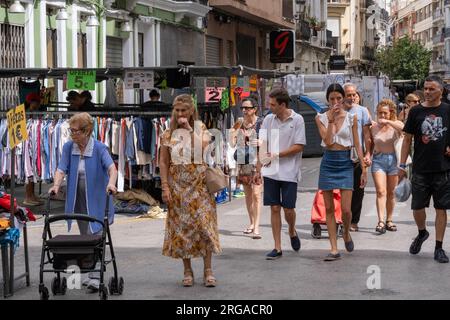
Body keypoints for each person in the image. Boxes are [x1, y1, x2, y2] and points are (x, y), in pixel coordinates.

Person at [48, 112, 118, 291]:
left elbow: (112, 169)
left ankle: (95, 276)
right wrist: (56, 185)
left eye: (75, 131)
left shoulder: (99, 148)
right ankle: (89, 272)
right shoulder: (68, 147)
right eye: (71, 131)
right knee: (85, 236)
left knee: (97, 234)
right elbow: (61, 168)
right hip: (77, 198)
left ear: (87, 131)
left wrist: (111, 183)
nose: (72, 134)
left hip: (97, 198)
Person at [159, 94, 221, 287]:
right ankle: (187, 270)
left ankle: (208, 269)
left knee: (204, 227)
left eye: (183, 110)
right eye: (177, 111)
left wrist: (187, 129)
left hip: (200, 186)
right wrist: (165, 187)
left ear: (191, 111)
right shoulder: (167, 134)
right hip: (178, 187)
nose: (180, 114)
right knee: (182, 230)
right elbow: (163, 162)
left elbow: (201, 149)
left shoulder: (200, 128)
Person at [399, 75, 450, 263]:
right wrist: (402, 165)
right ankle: (422, 233)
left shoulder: (447, 110)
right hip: (420, 168)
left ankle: (439, 247)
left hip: (443, 169)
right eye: (426, 89)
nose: (427, 92)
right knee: (418, 207)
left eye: (431, 89)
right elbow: (407, 140)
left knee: (441, 208)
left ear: (441, 91)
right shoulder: (415, 112)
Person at [315, 84, 367, 261]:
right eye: (332, 99)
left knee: (346, 210)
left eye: (339, 98)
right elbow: (328, 141)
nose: (335, 102)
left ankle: (345, 232)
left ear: (343, 98)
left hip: (345, 162)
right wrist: (330, 120)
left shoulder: (351, 117)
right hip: (328, 161)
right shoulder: (320, 117)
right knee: (329, 208)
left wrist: (364, 169)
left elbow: (358, 144)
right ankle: (334, 248)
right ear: (328, 100)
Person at [258, 88, 306, 260]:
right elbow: (262, 144)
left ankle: (292, 230)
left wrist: (276, 155)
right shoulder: (268, 120)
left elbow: (299, 146)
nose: (269, 107)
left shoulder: (298, 119)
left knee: (288, 208)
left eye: (272, 104)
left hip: (290, 171)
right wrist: (259, 167)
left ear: (282, 105)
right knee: (274, 207)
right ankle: (277, 247)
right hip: (271, 171)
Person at [230, 98, 264, 239]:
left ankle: (256, 227)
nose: (244, 110)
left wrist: (263, 142)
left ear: (255, 109)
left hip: (257, 162)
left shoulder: (261, 123)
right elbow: (232, 144)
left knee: (256, 194)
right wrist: (233, 131)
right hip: (244, 162)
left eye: (247, 108)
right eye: (243, 108)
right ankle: (251, 222)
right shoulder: (239, 123)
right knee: (248, 195)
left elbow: (271, 141)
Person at [369, 99, 404, 234]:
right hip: (379, 160)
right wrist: (368, 155)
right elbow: (370, 144)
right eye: (379, 113)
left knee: (391, 192)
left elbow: (403, 129)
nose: (382, 116)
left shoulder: (396, 124)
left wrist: (388, 122)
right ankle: (381, 221)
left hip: (394, 160)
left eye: (385, 113)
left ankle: (389, 220)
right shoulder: (373, 127)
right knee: (380, 191)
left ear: (390, 113)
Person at [343, 83, 372, 232]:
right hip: (341, 155)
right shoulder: (338, 110)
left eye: (353, 94)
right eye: (348, 94)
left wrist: (368, 154)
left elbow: (367, 135)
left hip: (357, 156)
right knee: (342, 189)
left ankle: (354, 221)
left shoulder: (362, 111)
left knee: (358, 189)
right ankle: (342, 219)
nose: (352, 97)